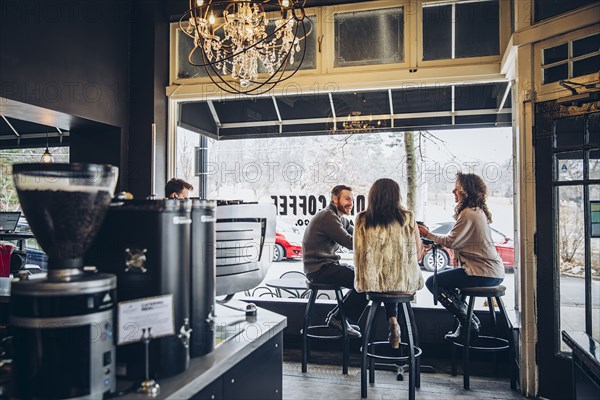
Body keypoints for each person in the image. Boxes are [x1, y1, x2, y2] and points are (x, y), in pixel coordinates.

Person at [418, 172, 504, 341]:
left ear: (466, 191)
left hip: (482, 273)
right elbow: (461, 241)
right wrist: (434, 241)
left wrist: (427, 234)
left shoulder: (468, 214)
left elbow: (452, 241)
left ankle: (469, 322)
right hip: (491, 272)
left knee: (433, 282)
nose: (453, 191)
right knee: (448, 284)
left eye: (457, 188)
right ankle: (466, 323)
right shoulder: (476, 212)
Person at [353, 178, 425, 348]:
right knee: (393, 284)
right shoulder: (408, 217)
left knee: (384, 283)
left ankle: (392, 321)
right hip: (404, 284)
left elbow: (357, 253)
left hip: (372, 283)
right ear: (396, 196)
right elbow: (417, 255)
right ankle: (394, 323)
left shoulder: (362, 219)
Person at [302, 185, 369, 337]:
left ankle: (339, 317)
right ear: (335, 199)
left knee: (362, 278)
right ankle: (338, 318)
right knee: (365, 281)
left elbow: (359, 234)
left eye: (351, 200)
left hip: (327, 267)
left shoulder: (340, 219)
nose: (350, 203)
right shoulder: (328, 216)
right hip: (319, 270)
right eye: (347, 199)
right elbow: (349, 242)